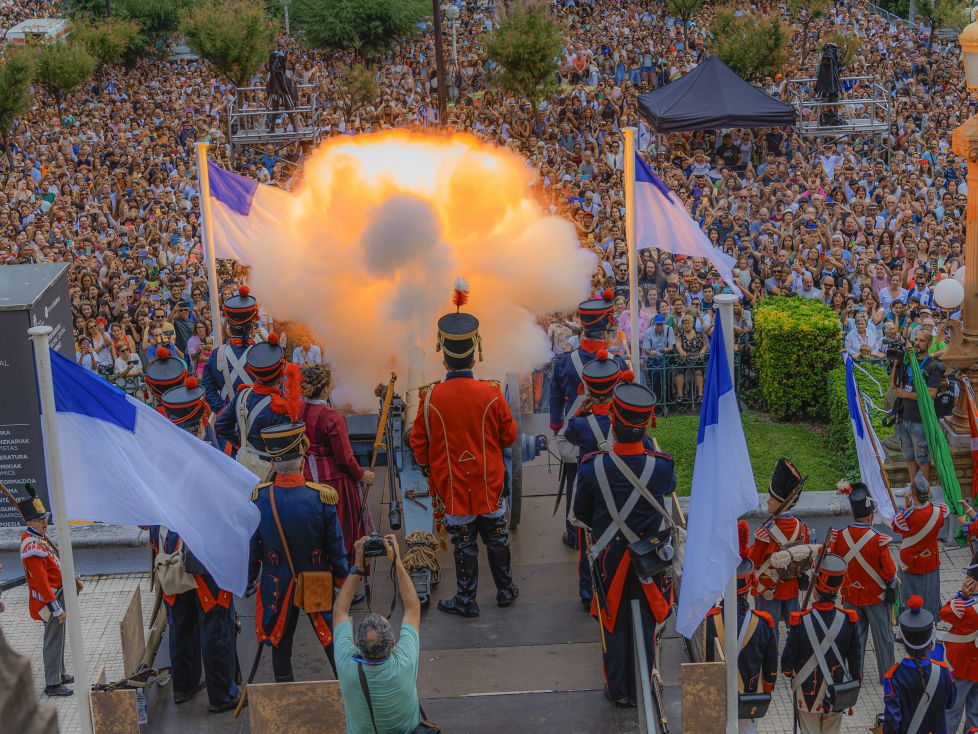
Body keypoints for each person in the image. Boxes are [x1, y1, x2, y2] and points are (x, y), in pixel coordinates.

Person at [410, 288, 519, 617]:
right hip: (489, 482)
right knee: (496, 537)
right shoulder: (492, 392)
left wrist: (432, 467)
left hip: (454, 485)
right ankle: (505, 590)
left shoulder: (430, 398)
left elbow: (419, 446)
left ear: (444, 358)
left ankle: (466, 599)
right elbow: (510, 436)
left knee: (463, 542)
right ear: (475, 355)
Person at [573, 382, 676, 707]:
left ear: (613, 421)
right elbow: (667, 488)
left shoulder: (592, 467)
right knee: (647, 622)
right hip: (649, 558)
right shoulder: (661, 466)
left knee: (613, 623)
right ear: (645, 425)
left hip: (610, 559)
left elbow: (581, 514)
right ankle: (644, 683)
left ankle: (618, 689)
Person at [150, 378, 239, 713]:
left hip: (169, 550)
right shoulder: (212, 458)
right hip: (204, 553)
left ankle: (184, 686)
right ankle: (222, 694)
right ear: (201, 419)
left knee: (181, 622)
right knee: (215, 624)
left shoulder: (156, 457)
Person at [248, 421, 349, 681]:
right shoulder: (321, 498)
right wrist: (343, 580)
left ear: (273, 464)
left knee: (280, 641)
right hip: (316, 578)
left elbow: (254, 549)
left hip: (276, 582)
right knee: (332, 637)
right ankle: (347, 687)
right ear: (302, 461)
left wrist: (249, 580)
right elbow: (335, 548)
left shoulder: (261, 499)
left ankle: (285, 691)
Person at [333, 534, 426, 734]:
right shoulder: (404, 662)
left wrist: (358, 566)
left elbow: (340, 611)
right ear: (393, 643)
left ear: (357, 645)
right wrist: (397, 561)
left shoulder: (347, 665)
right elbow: (413, 608)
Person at [550, 289, 621, 548]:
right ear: (606, 328)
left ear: (583, 325)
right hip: (611, 430)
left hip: (576, 430)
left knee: (575, 480)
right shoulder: (619, 363)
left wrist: (557, 426)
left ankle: (574, 533)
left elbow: (555, 396)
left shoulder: (564, 361)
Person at [564, 352, 634, 608]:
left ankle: (589, 593)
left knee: (589, 543)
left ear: (589, 389)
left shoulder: (581, 423)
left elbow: (570, 436)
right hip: (621, 487)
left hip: (591, 490)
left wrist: (581, 412)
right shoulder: (626, 418)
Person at [299, 363, 376, 567]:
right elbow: (344, 457)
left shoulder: (299, 410)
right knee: (343, 530)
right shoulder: (333, 417)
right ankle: (344, 573)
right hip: (332, 483)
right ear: (325, 389)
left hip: (306, 477)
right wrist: (362, 475)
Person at [10, 484, 81, 697]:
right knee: (53, 640)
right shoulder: (32, 548)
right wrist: (56, 608)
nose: (45, 522)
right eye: (40, 519)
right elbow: (41, 582)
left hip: (56, 593)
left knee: (58, 637)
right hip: (49, 600)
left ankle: (59, 673)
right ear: (29, 521)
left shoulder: (38, 539)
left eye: (44, 518)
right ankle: (52, 683)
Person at [705, 528, 778, 734]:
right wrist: (767, 688)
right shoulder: (763, 623)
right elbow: (770, 664)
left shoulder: (710, 622)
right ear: (748, 585)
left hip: (717, 698)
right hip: (750, 697)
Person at [781, 554, 862, 734]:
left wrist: (788, 671)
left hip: (807, 692)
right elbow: (855, 659)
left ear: (816, 588)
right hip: (837, 690)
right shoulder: (848, 620)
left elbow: (787, 665)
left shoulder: (800, 621)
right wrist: (855, 681)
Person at [829, 482, 896, 683]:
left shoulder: (840, 536)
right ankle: (887, 676)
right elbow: (890, 573)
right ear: (869, 516)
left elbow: (834, 564)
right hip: (876, 597)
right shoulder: (878, 539)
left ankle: (854, 676)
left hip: (851, 595)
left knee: (854, 639)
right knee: (884, 639)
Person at [749, 459, 813, 643]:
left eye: (772, 498)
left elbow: (754, 560)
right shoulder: (802, 528)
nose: (768, 501)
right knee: (795, 630)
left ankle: (770, 658)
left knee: (769, 632)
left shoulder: (764, 533)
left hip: (769, 588)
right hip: (791, 588)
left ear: (780, 503)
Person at [215, 334, 296, 476]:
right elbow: (288, 450)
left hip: (244, 466)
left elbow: (221, 426)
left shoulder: (242, 394)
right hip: (271, 472)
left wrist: (241, 444)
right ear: (281, 373)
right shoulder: (281, 407)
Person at [882, 594, 957, 734]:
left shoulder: (894, 676)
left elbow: (892, 721)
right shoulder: (943, 671)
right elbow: (950, 702)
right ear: (930, 640)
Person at [891, 472, 948, 619]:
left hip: (910, 562)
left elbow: (896, 528)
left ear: (912, 494)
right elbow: (939, 524)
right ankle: (931, 621)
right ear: (928, 493)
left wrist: (906, 508)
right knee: (931, 593)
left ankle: (908, 624)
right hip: (931, 560)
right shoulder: (940, 511)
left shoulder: (906, 515)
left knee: (908, 594)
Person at [889, 331, 943, 485]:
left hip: (919, 419)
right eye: (916, 340)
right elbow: (893, 385)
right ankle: (913, 488)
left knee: (922, 457)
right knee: (909, 456)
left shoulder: (932, 366)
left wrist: (906, 394)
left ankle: (924, 491)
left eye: (922, 340)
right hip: (902, 417)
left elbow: (930, 394)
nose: (917, 343)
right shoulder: (907, 361)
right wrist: (896, 364)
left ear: (929, 344)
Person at [202, 286, 258, 413]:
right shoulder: (263, 353)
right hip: (258, 419)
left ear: (228, 328)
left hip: (227, 419)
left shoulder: (216, 354)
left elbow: (208, 388)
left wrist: (223, 412)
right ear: (252, 327)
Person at [939, 549, 978, 733]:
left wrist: (962, 595)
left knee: (952, 712)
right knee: (975, 716)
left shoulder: (965, 608)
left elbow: (944, 613)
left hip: (962, 667)